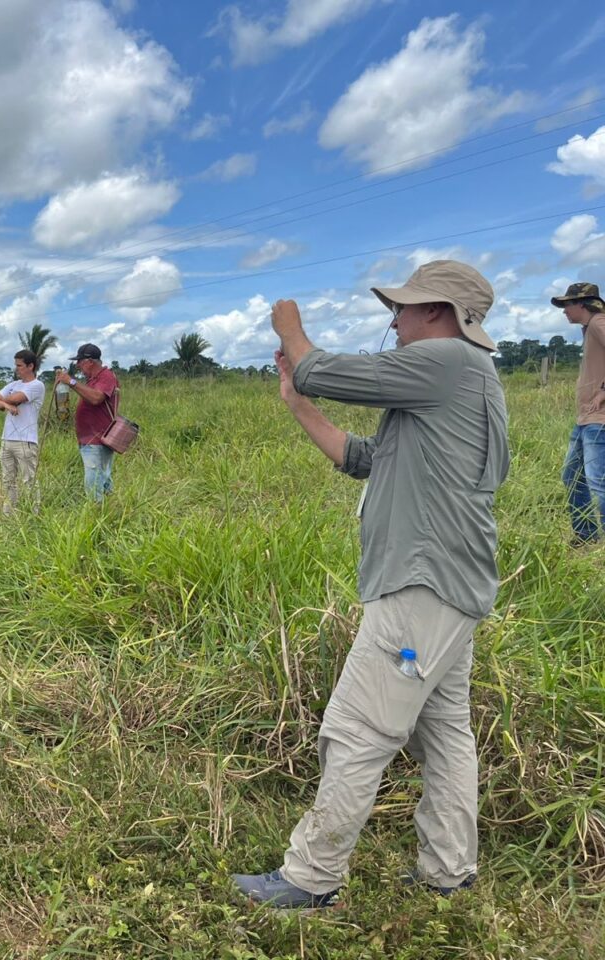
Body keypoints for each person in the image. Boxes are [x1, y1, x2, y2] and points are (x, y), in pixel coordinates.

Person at [232, 260, 509, 908]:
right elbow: (365, 458)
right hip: (451, 591)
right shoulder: (466, 383)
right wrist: (300, 406)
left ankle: (311, 878)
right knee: (444, 732)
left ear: (439, 313)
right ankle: (449, 870)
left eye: (404, 308)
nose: (394, 320)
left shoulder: (451, 363)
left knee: (357, 727)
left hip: (422, 587)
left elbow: (327, 370)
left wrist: (290, 329)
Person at [551, 282, 605, 545]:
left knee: (598, 483)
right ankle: (587, 536)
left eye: (567, 304)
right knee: (572, 476)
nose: (564, 311)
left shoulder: (598, 323)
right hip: (586, 419)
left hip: (600, 420)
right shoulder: (589, 329)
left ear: (582, 304)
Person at [54, 344, 119, 500]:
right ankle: (109, 513)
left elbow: (96, 398)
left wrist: (71, 382)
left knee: (94, 483)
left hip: (97, 439)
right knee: (102, 480)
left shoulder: (106, 376)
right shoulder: (92, 380)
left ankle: (97, 515)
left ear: (90, 361)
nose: (77, 366)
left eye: (80, 362)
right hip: (91, 439)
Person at [0, 349, 45, 514]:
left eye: (19, 365)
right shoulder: (14, 385)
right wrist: (6, 405)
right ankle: (8, 515)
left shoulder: (37, 385)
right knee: (8, 480)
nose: (16, 369)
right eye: (16, 365)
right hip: (7, 439)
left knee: (29, 480)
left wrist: (3, 401)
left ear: (30, 366)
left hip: (26, 440)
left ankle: (34, 514)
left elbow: (16, 399)